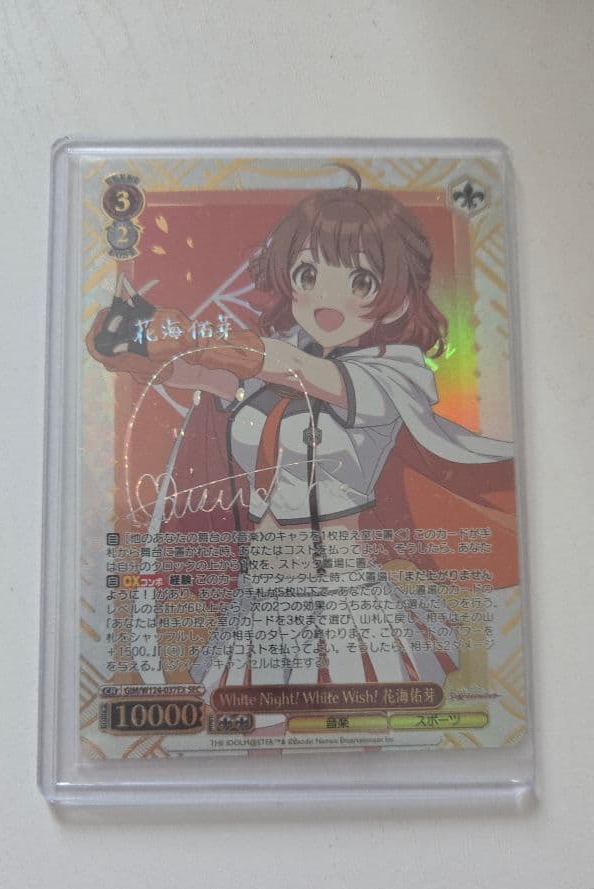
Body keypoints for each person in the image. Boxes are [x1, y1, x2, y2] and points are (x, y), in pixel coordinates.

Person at [87, 181, 517, 719]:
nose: (325, 298)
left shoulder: (395, 373)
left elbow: (297, 370)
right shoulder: (277, 357)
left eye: (360, 280)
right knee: (252, 731)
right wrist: (131, 347)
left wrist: (210, 342)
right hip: (263, 592)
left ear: (402, 292)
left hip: (339, 594)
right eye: (308, 274)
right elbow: (199, 372)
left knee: (356, 731)